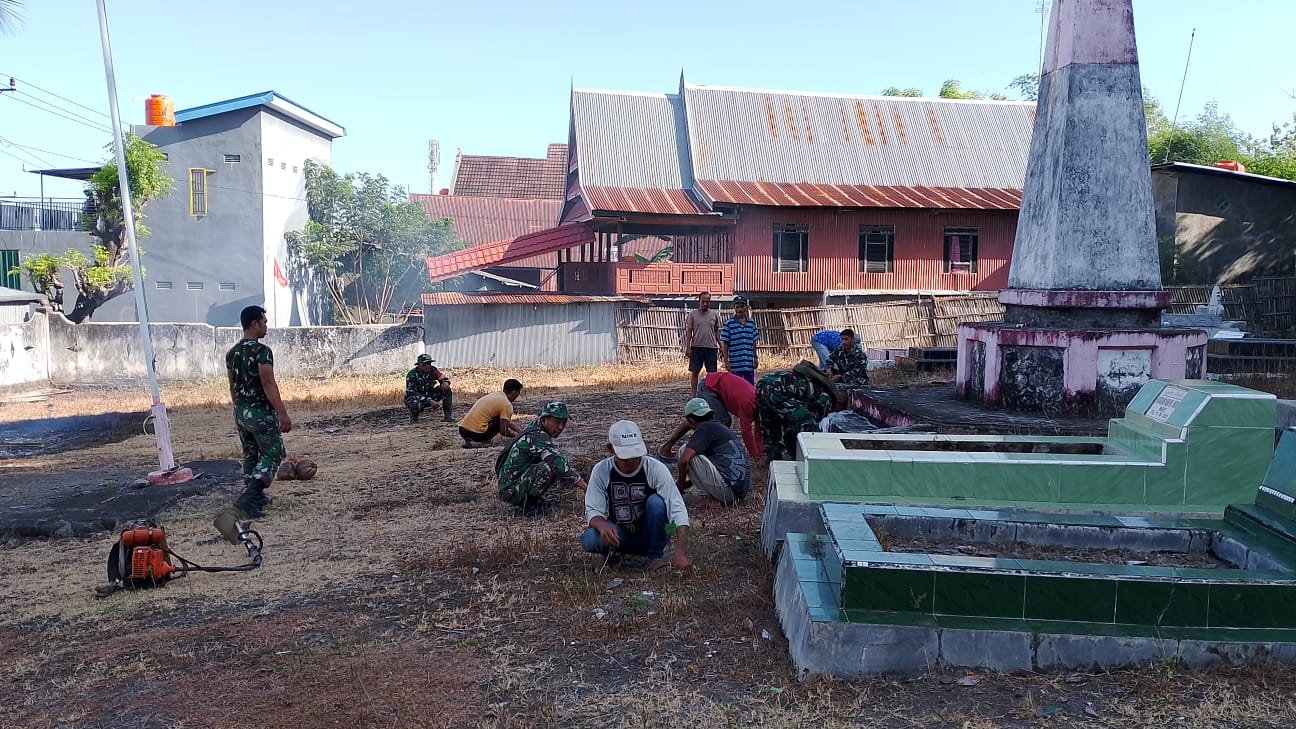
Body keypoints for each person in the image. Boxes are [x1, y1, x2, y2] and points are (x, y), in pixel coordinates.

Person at [581, 420, 692, 575]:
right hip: (620, 533)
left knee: (657, 503)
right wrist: (602, 525)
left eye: (636, 455)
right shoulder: (601, 470)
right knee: (589, 539)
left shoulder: (655, 468)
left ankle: (656, 555)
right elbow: (593, 509)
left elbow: (677, 507)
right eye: (626, 457)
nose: (632, 461)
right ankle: (614, 552)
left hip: (653, 532)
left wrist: (681, 551)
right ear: (611, 450)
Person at [226, 305, 291, 518]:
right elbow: (268, 383)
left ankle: (253, 496)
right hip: (260, 412)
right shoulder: (262, 352)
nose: (266, 326)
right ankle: (252, 495)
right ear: (254, 324)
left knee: (251, 453)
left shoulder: (232, 353)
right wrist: (282, 412)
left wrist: (238, 409)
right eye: (264, 322)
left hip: (241, 411)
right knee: (274, 451)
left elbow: (233, 385)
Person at [496, 400, 588, 513]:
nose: (560, 427)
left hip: (511, 486)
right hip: (510, 493)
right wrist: (585, 486)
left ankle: (533, 500)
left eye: (564, 423)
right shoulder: (538, 436)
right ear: (544, 420)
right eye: (557, 422)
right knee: (549, 467)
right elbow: (557, 462)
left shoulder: (535, 426)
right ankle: (528, 505)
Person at [756, 363, 846, 464]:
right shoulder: (827, 397)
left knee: (770, 425)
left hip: (762, 384)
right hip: (778, 390)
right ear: (840, 403)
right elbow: (811, 420)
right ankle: (800, 457)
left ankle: (771, 458)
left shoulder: (816, 383)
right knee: (806, 422)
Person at [659, 371, 760, 459]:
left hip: (718, 386)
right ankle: (697, 451)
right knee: (718, 422)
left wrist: (760, 452)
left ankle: (670, 447)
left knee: (699, 420)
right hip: (710, 386)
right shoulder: (749, 403)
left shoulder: (760, 403)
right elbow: (746, 432)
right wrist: (755, 455)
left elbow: (759, 429)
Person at [669, 398, 750, 506]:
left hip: (728, 492)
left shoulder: (704, 428)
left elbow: (683, 461)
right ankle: (714, 495)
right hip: (740, 492)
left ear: (691, 421)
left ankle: (708, 497)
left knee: (684, 450)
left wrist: (681, 483)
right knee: (694, 452)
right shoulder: (719, 427)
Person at [459, 379, 524, 447]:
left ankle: (470, 441)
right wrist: (516, 436)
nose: (516, 397)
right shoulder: (506, 404)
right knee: (499, 421)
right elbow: (503, 431)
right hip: (476, 434)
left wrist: (520, 432)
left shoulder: (496, 395)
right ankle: (482, 442)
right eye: (517, 394)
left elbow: (507, 421)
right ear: (514, 392)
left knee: (499, 418)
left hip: (463, 431)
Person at [683, 291, 721, 395]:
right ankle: (694, 394)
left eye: (707, 302)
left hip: (711, 347)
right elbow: (689, 331)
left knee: (712, 373)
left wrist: (721, 345)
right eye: (703, 301)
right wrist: (688, 347)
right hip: (697, 347)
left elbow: (716, 331)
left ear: (710, 302)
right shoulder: (692, 314)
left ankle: (712, 394)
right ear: (699, 301)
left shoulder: (714, 315)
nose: (705, 304)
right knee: (695, 372)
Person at [720, 295, 760, 385]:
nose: (739, 309)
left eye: (742, 307)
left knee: (749, 387)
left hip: (748, 363)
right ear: (734, 308)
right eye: (737, 307)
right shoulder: (729, 324)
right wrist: (726, 361)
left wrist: (755, 358)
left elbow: (754, 342)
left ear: (746, 307)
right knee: (736, 388)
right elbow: (725, 344)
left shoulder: (751, 323)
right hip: (735, 364)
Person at [405, 354, 453, 424]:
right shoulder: (412, 375)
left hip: (430, 394)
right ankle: (414, 420)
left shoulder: (433, 370)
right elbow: (411, 393)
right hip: (417, 398)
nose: (428, 366)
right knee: (413, 403)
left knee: (447, 390)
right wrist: (429, 401)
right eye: (425, 364)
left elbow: (444, 378)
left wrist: (445, 382)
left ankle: (448, 417)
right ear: (419, 365)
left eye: (429, 363)